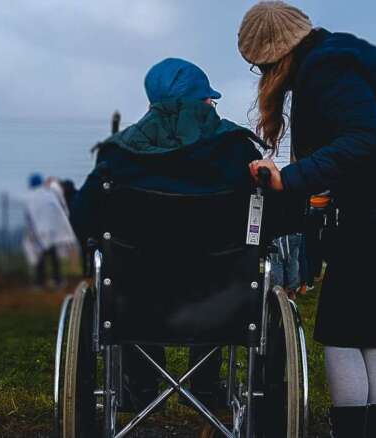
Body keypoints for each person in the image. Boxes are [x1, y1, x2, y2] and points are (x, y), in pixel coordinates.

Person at [238, 2, 376, 436]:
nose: (264, 78)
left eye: (263, 68)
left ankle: (351, 430)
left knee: (340, 331)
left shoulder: (326, 69)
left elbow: (365, 138)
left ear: (278, 57)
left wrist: (289, 178)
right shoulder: (343, 55)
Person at [70, 58, 272, 414]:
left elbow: (84, 217)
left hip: (135, 301)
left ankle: (142, 385)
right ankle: (206, 386)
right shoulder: (238, 151)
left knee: (130, 277)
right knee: (216, 275)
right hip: (222, 300)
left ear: (152, 103)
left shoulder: (117, 155)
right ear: (204, 102)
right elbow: (273, 217)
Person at [23, 173, 77, 289]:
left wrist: (31, 233)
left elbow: (28, 217)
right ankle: (58, 281)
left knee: (40, 258)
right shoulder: (49, 194)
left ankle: (39, 283)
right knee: (53, 257)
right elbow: (60, 208)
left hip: (39, 232)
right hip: (53, 231)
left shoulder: (29, 198)